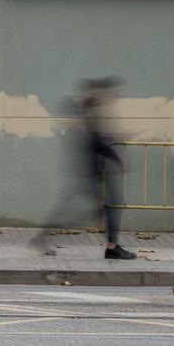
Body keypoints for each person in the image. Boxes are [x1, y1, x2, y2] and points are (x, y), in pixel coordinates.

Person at [33, 77, 137, 260]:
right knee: (102, 209)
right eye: (111, 93)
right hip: (90, 172)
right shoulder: (90, 112)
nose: (114, 96)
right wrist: (118, 159)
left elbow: (98, 138)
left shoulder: (89, 111)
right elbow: (95, 141)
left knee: (98, 209)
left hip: (92, 171)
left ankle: (42, 238)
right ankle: (112, 248)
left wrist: (115, 138)